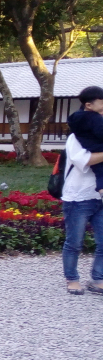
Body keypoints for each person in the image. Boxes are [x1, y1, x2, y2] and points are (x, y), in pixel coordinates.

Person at [62, 95, 103, 295]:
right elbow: (84, 161)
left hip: (100, 197)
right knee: (75, 242)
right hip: (78, 197)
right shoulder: (75, 137)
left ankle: (98, 278)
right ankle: (72, 279)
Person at [67, 86, 103, 198]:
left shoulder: (76, 118)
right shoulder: (94, 119)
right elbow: (84, 160)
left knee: (100, 170)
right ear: (88, 105)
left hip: (91, 146)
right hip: (82, 195)